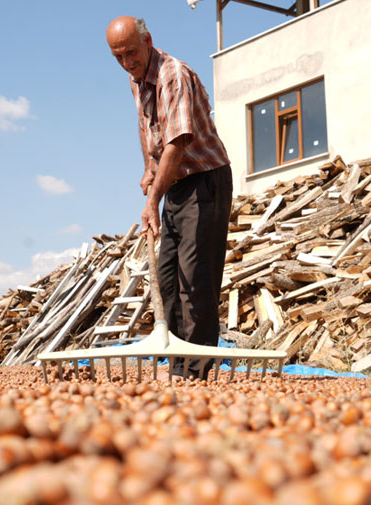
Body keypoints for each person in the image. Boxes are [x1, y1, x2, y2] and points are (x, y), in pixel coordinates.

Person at [106, 16, 233, 379]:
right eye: (118, 56)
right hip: (175, 182)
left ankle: (196, 370)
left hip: (205, 179)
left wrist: (152, 201)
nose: (126, 62)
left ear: (148, 40)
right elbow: (148, 130)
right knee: (168, 277)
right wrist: (149, 167)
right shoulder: (136, 80)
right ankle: (177, 365)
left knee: (196, 278)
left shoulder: (171, 75)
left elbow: (177, 142)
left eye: (131, 52)